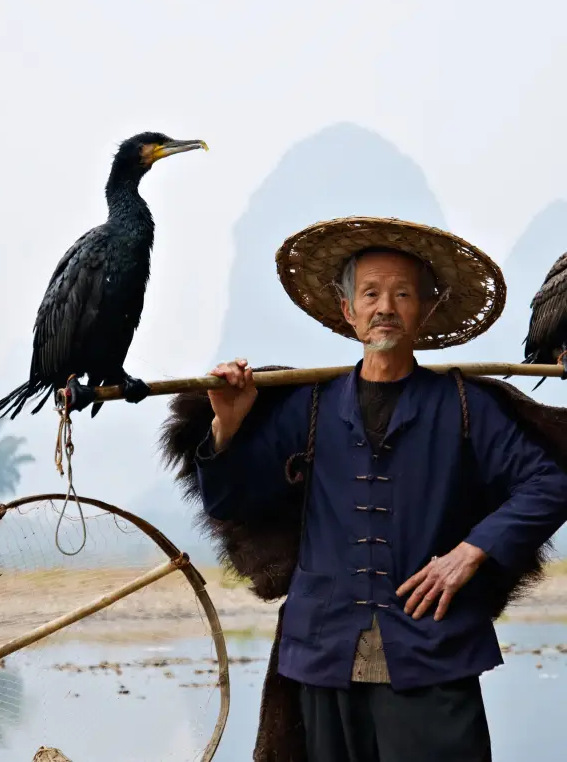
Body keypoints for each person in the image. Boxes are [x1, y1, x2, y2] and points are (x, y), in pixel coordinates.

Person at [158, 216, 567, 762]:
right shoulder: (311, 405)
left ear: (426, 308)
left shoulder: (467, 407)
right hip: (323, 653)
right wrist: (227, 424)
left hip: (432, 652)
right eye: (370, 294)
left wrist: (472, 552)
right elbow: (230, 500)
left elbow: (550, 482)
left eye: (402, 294)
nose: (386, 308)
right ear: (348, 311)